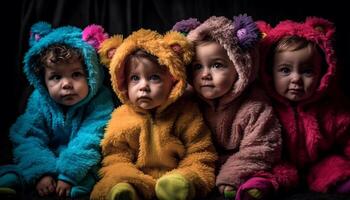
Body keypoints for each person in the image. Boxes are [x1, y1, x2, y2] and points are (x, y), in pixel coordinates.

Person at [90, 29, 217, 200]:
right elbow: (116, 157)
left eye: (154, 78)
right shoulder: (120, 117)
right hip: (135, 177)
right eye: (135, 78)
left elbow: (200, 151)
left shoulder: (186, 113)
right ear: (123, 83)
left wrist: (186, 174)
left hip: (176, 173)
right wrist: (128, 176)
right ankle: (126, 189)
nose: (143, 86)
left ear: (173, 81)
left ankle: (177, 186)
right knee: (114, 173)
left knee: (198, 168)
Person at [0, 22, 115, 198]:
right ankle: (15, 181)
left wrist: (69, 174)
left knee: (97, 170)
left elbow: (92, 137)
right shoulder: (40, 101)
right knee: (15, 167)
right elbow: (28, 136)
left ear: (92, 74)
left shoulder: (100, 101)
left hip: (81, 161)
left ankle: (81, 187)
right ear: (43, 80)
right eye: (56, 77)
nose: (67, 84)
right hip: (46, 157)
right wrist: (41, 173)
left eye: (76, 74)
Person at [172, 15, 282, 200]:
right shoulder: (187, 102)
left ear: (240, 69)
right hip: (200, 164)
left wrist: (232, 174)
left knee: (275, 172)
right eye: (198, 66)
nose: (205, 75)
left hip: (243, 165)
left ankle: (256, 186)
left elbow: (262, 147)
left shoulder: (254, 106)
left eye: (217, 65)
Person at [257, 17, 350, 194]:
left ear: (323, 73)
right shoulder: (264, 105)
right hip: (279, 162)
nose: (296, 79)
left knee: (336, 168)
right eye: (285, 70)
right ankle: (262, 186)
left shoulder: (331, 108)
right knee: (266, 173)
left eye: (307, 71)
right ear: (269, 72)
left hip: (321, 161)